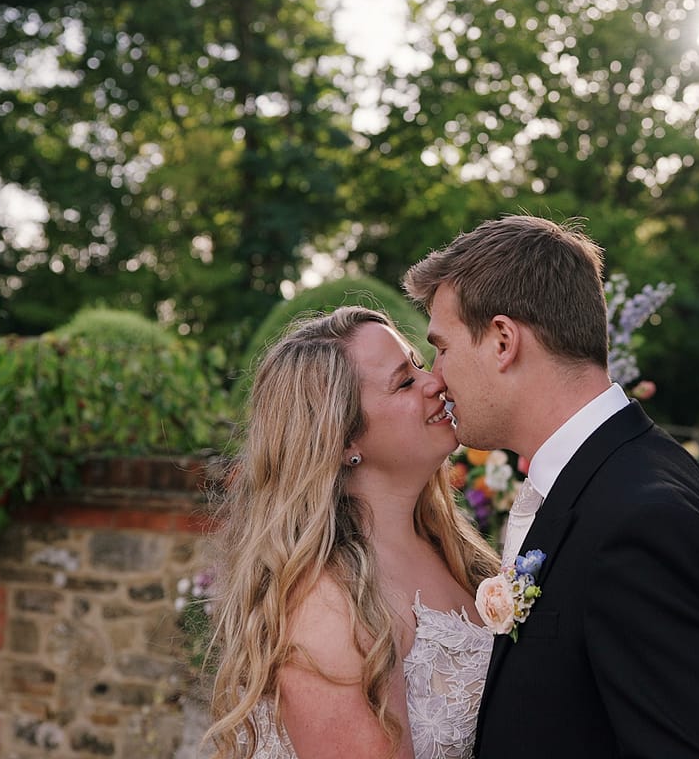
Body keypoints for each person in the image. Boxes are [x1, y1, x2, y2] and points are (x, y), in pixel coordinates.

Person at [403, 215, 699, 759]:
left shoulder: (645, 521)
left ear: (503, 341)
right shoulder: (608, 476)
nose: (435, 376)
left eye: (444, 348)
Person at [202, 306, 500, 759]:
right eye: (404, 382)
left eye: (419, 364)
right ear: (343, 441)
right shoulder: (326, 602)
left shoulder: (452, 549)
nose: (435, 382)